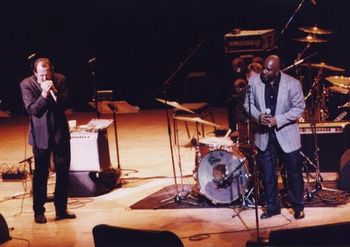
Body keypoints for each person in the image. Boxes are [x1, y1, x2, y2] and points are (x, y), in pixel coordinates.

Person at [244, 55, 306, 220]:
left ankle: (298, 207)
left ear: (277, 70)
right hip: (265, 136)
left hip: (286, 135)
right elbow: (247, 104)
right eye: (264, 67)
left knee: (293, 174)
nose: (264, 71)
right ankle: (272, 208)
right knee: (268, 174)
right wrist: (258, 117)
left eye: (268, 69)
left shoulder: (292, 83)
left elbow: (299, 108)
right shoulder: (254, 82)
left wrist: (277, 120)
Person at [20, 57, 76, 223]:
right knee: (41, 174)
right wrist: (44, 94)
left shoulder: (60, 80)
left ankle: (61, 209)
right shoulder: (26, 84)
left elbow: (66, 104)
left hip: (60, 132)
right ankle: (39, 211)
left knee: (63, 172)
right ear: (35, 73)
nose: (45, 78)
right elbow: (33, 110)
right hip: (40, 135)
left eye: (47, 74)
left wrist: (54, 92)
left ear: (52, 70)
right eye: (41, 75)